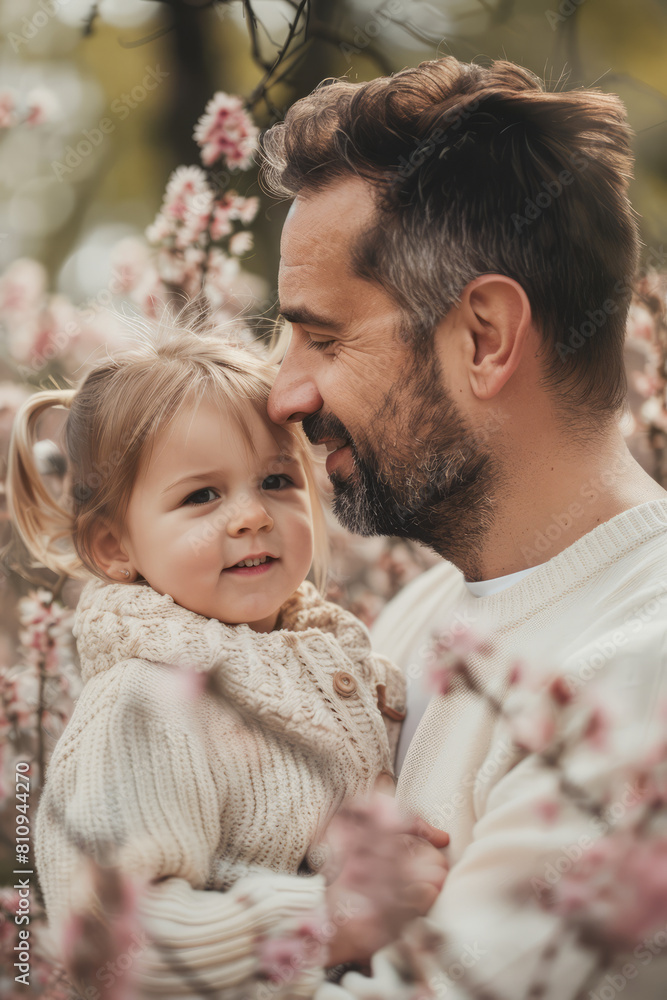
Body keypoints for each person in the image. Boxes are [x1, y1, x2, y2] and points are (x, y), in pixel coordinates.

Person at [260, 57, 667, 997]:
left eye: (323, 337)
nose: (284, 392)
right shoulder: (412, 618)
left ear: (484, 336)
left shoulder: (635, 678)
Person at [7, 320, 448, 998]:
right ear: (114, 547)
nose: (249, 516)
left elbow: (292, 820)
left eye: (276, 479)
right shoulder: (142, 703)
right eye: (201, 496)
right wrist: (328, 921)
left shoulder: (332, 661)